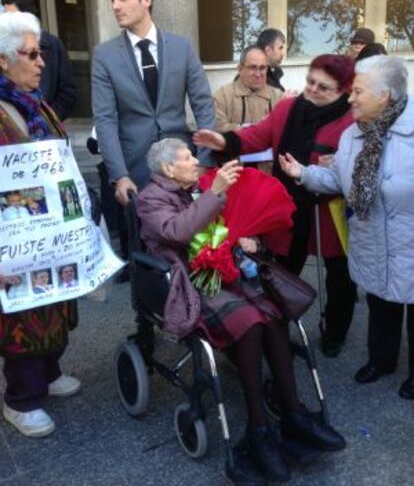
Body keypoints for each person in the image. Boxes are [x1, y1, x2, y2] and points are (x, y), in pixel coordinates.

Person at [137, 138, 345, 483]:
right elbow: (178, 232)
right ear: (167, 169)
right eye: (188, 157)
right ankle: (258, 427)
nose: (195, 161)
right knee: (249, 321)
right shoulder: (151, 199)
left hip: (224, 270)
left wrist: (246, 238)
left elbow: (226, 224)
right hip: (190, 282)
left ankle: (292, 413)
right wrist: (214, 193)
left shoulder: (197, 187)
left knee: (274, 314)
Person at [195, 55, 357, 358]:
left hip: (330, 209)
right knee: (280, 269)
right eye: (310, 81)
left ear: (344, 91)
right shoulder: (287, 107)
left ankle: (335, 332)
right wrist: (223, 140)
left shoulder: (352, 120)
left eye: (324, 87)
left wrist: (338, 163)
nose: (312, 89)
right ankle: (277, 326)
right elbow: (258, 134)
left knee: (339, 275)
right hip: (288, 204)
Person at [278, 55, 414, 400]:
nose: (350, 98)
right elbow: (338, 178)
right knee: (381, 301)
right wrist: (304, 174)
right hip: (372, 238)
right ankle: (381, 361)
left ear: (384, 96)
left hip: (408, 241)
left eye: (357, 91)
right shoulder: (354, 134)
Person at [0, 11, 80, 438]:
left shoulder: (34, 101)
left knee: (54, 301)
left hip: (49, 230)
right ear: (3, 60)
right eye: (31, 54)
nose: (41, 62)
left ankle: (49, 372)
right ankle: (20, 399)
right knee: (22, 314)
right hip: (13, 236)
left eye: (40, 52)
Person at [92, 0, 215, 206]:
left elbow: (203, 105)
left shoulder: (182, 47)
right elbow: (104, 119)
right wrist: (119, 176)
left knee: (189, 237)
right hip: (134, 170)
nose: (115, 6)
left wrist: (204, 161)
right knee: (140, 240)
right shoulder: (104, 56)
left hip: (181, 164)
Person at [1, 0, 77, 121]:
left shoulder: (54, 45)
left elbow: (67, 92)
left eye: (12, 16)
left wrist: (49, 121)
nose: (40, 63)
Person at [214, 45, 282, 132]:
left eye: (262, 68)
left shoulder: (278, 96)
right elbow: (217, 128)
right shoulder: (223, 95)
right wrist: (253, 128)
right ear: (240, 69)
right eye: (253, 68)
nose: (258, 74)